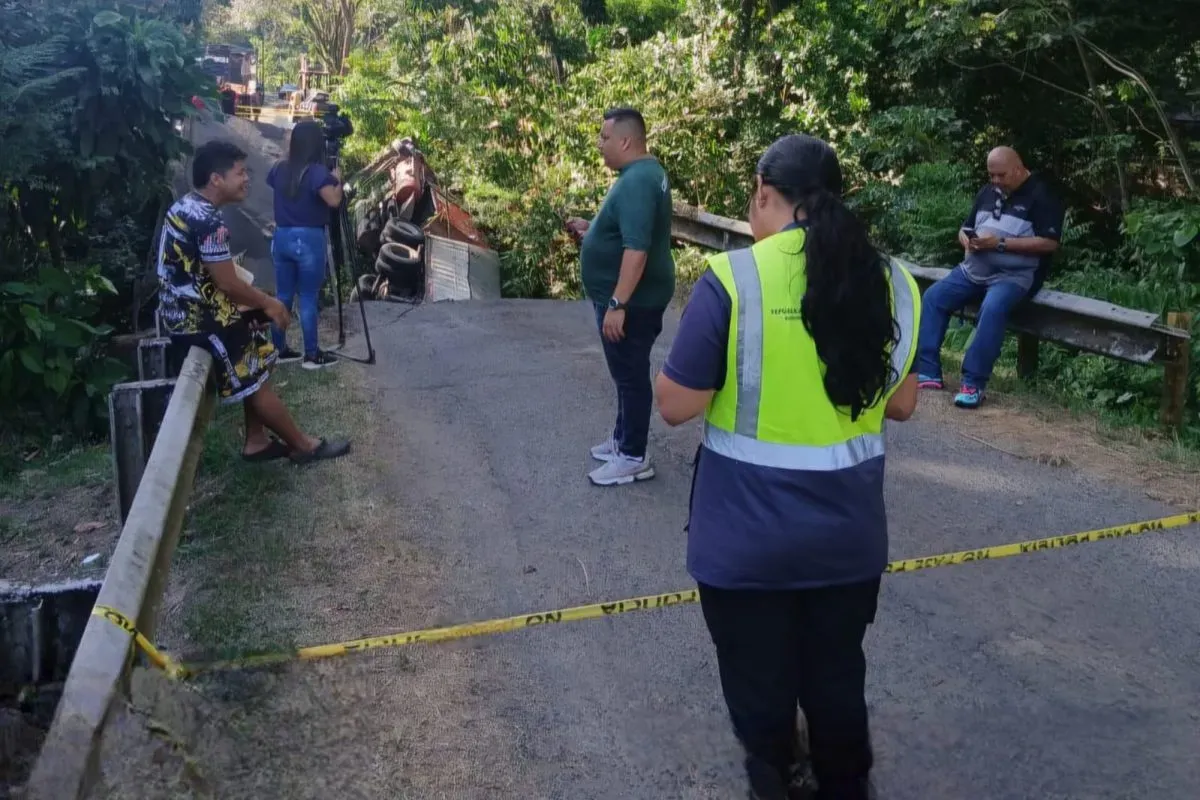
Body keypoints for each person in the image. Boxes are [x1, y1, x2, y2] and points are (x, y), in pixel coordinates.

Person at [655, 134, 921, 800]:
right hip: (848, 538)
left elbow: (676, 406)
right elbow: (903, 403)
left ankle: (777, 778)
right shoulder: (891, 280)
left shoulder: (735, 278)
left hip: (747, 543)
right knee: (836, 676)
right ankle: (846, 784)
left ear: (763, 193)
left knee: (760, 684)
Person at [157, 139, 350, 465]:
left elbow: (208, 279)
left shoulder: (187, 206)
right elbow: (227, 283)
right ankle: (304, 446)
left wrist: (250, 308)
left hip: (185, 310)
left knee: (261, 350)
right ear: (216, 179)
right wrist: (268, 304)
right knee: (254, 369)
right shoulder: (209, 222)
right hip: (197, 321)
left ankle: (256, 440)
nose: (247, 179)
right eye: (240, 173)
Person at [565, 107, 675, 487]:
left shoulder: (638, 181)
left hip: (634, 302)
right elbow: (629, 229)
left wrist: (617, 303)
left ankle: (632, 456)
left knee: (630, 375)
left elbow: (637, 249)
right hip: (634, 298)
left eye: (605, 137)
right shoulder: (643, 174)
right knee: (626, 372)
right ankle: (622, 439)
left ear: (626, 141)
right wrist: (592, 228)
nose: (599, 144)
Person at [915, 146, 1064, 408]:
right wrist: (965, 238)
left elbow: (1049, 243)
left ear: (1018, 169)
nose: (995, 181)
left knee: (992, 308)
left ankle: (973, 383)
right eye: (991, 175)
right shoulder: (988, 191)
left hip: (1013, 276)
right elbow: (966, 227)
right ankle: (928, 371)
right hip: (972, 270)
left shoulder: (1043, 195)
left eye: (1001, 175)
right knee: (933, 297)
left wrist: (1000, 244)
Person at [265, 120, 343, 369]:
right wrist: (338, 180)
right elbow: (333, 201)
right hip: (308, 238)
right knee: (308, 296)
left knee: (283, 295)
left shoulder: (279, 168)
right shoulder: (317, 172)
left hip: (282, 237)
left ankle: (278, 349)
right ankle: (311, 354)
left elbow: (275, 184)